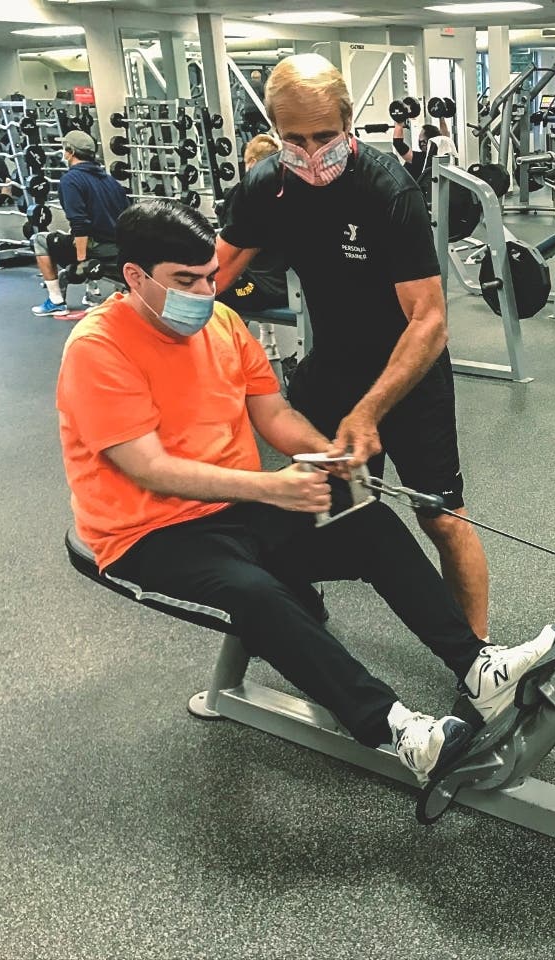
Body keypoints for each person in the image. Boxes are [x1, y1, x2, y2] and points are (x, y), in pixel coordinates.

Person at [56, 198, 555, 783]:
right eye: (185, 281)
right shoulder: (98, 347)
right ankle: (397, 729)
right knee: (259, 594)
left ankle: (477, 669)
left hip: (236, 505)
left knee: (366, 520)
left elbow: (272, 414)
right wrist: (272, 487)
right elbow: (149, 468)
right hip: (146, 533)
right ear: (135, 276)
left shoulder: (223, 323)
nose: (204, 292)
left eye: (210, 276)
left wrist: (327, 454)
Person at [214, 54, 493, 642]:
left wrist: (369, 412)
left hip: (409, 373)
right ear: (274, 131)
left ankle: (478, 656)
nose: (311, 153)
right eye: (294, 139)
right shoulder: (266, 186)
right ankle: (299, 613)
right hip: (332, 370)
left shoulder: (388, 189)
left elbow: (429, 321)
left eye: (323, 136)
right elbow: (208, 278)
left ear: (347, 123)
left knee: (441, 517)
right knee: (317, 504)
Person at [32, 129, 129, 317]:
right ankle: (92, 292)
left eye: (64, 149)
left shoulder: (70, 180)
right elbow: (127, 216)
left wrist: (82, 262)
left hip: (98, 248)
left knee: (39, 240)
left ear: (70, 152)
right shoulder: (111, 181)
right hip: (119, 247)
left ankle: (56, 301)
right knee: (76, 237)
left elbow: (80, 224)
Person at [216, 134, 288, 313]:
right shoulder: (287, 189)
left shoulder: (244, 195)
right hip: (288, 285)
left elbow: (231, 255)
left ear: (253, 163)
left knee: (208, 295)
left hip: (268, 290)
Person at [392, 114, 457, 185]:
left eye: (420, 137)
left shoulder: (418, 158)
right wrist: (441, 116)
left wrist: (399, 122)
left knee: (391, 157)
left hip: (410, 190)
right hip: (424, 189)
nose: (419, 138)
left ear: (424, 143)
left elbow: (398, 144)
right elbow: (444, 138)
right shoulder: (441, 156)